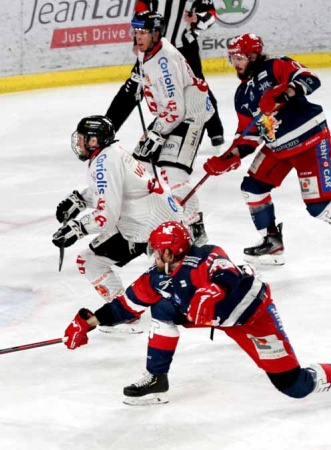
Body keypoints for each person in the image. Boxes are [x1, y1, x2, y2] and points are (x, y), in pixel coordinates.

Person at [62, 221, 331, 405]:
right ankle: (157, 378)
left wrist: (214, 290)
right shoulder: (157, 277)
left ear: (170, 252)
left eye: (157, 251)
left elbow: (227, 273)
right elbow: (125, 305)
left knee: (295, 386)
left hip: (252, 316)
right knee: (161, 308)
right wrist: (89, 322)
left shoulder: (206, 256)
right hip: (212, 315)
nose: (153, 255)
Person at [202, 33, 331, 265]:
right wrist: (227, 158)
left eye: (240, 57)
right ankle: (272, 243)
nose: (235, 63)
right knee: (252, 187)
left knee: (319, 207)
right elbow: (248, 136)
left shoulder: (275, 66)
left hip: (309, 141)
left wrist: (284, 93)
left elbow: (310, 79)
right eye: (232, 58)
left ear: (253, 55)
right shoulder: (242, 95)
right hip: (277, 148)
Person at [52, 115, 183, 333]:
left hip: (148, 227)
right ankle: (127, 310)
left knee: (89, 261)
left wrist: (77, 229)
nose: (78, 142)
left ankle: (124, 315)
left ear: (94, 140)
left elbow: (106, 215)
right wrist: (80, 200)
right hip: (160, 220)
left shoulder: (104, 163)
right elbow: (113, 191)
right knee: (178, 279)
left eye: (83, 137)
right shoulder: (112, 153)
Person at [128, 10, 215, 244]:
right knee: (140, 166)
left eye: (144, 32)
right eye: (137, 31)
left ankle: (195, 229)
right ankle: (156, 220)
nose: (138, 36)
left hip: (189, 115)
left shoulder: (164, 60)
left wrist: (155, 133)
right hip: (170, 113)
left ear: (156, 34)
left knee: (173, 173)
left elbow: (176, 109)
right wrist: (140, 83)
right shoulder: (148, 49)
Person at [105, 0, 224, 148]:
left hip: (184, 47)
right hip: (153, 47)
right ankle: (106, 130)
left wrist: (198, 18)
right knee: (132, 89)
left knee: (197, 89)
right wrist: (137, 42)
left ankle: (215, 130)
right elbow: (140, 13)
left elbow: (211, 13)